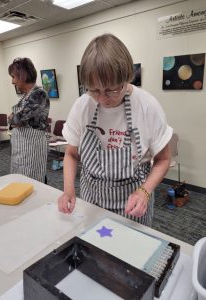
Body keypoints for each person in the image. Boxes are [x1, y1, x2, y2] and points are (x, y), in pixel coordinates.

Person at [58, 33, 173, 226]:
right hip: (91, 199)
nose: (103, 98)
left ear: (126, 77)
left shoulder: (147, 106)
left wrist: (144, 191)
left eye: (112, 90)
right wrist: (68, 190)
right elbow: (71, 154)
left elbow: (163, 160)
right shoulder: (82, 106)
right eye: (94, 90)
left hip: (132, 203)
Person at [8, 57, 50, 183]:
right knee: (19, 179)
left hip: (32, 148)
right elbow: (16, 120)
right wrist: (14, 119)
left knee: (32, 182)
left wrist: (13, 119)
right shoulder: (26, 96)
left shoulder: (38, 94)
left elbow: (17, 119)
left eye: (13, 77)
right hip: (22, 147)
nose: (12, 82)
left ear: (23, 76)